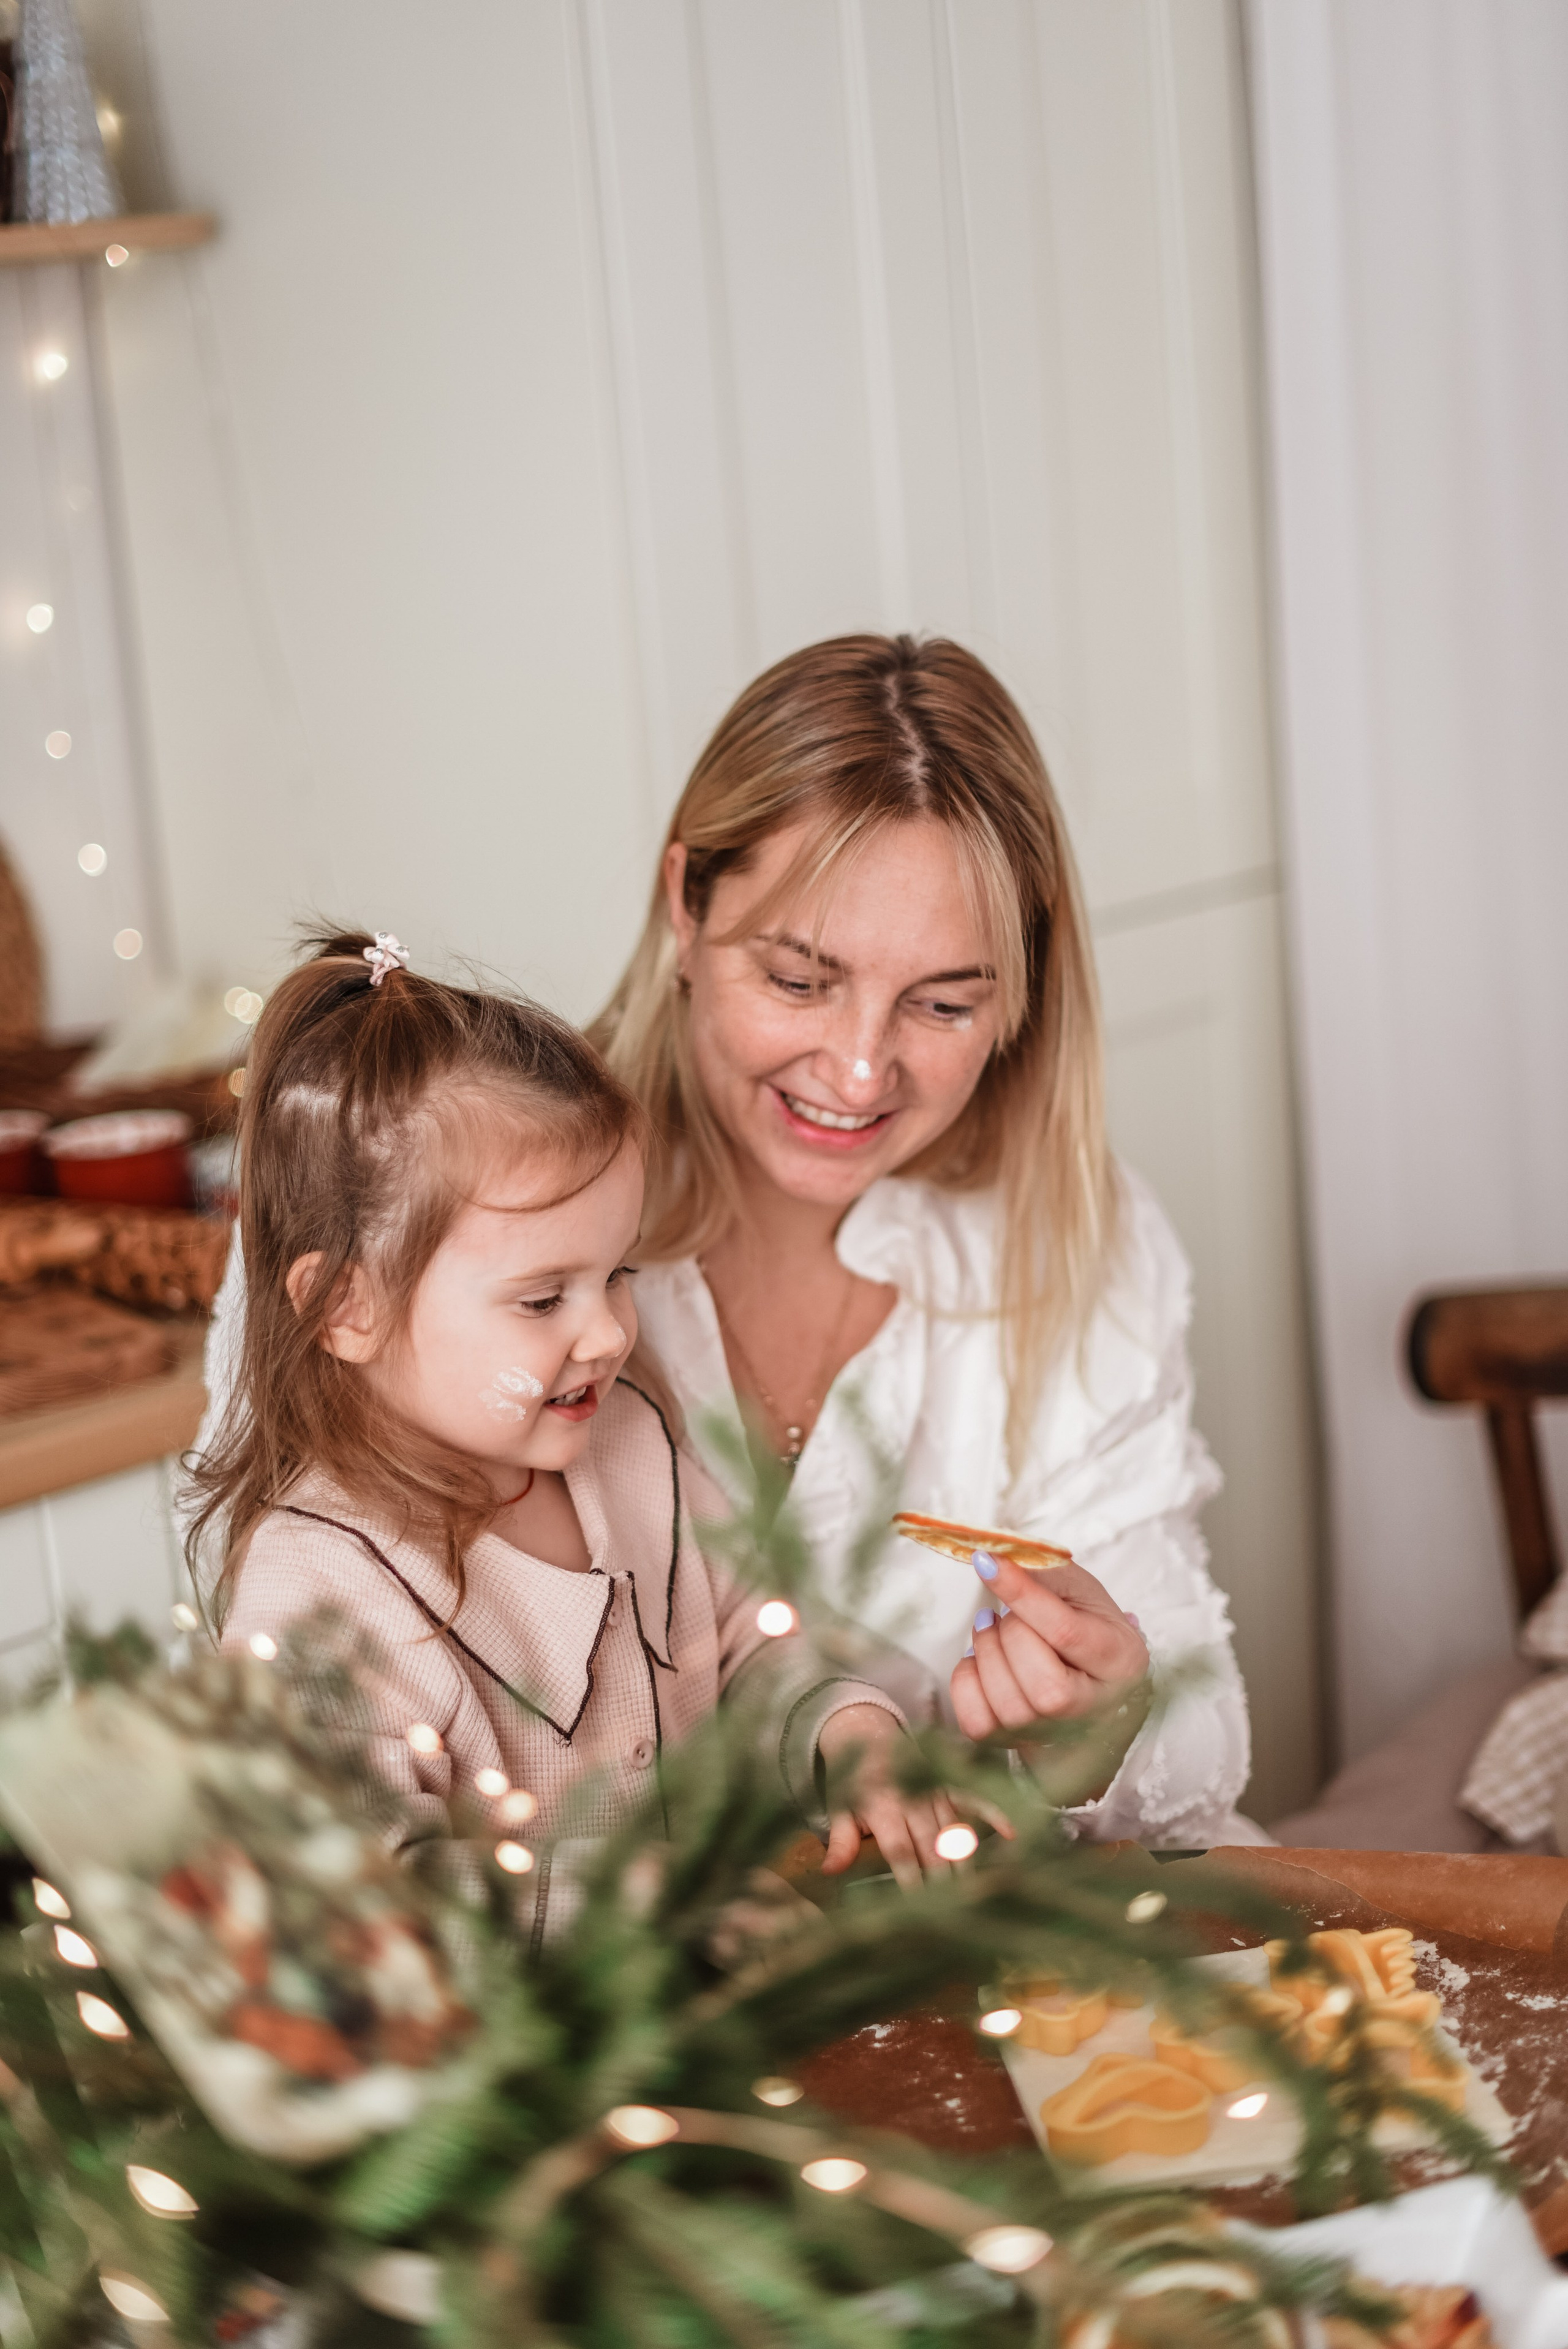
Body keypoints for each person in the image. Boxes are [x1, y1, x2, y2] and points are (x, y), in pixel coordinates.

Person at [591, 633, 1261, 1848]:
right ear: (683, 907)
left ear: (1021, 995)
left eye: (942, 1002)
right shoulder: (473, 1213)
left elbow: (1198, 1726)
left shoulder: (1072, 1244)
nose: (856, 1069)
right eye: (797, 981)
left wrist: (1096, 1733)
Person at [186, 930, 968, 1908]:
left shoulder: (630, 1442)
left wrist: (843, 1730)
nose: (606, 1333)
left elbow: (752, 1640)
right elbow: (369, 1910)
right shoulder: (321, 1590)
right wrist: (648, 1913)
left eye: (618, 1274)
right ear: (349, 1308)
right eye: (543, 1298)